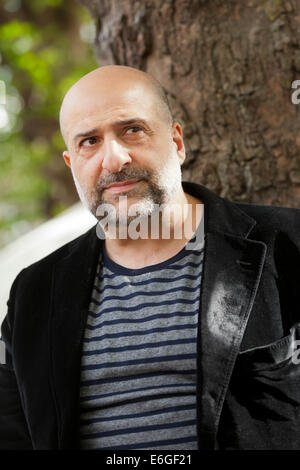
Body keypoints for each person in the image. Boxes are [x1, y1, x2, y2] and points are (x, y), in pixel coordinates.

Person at [0, 65, 300, 451]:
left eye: (132, 129)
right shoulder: (36, 292)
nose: (114, 158)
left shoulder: (287, 245)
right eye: (89, 141)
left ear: (176, 142)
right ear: (71, 163)